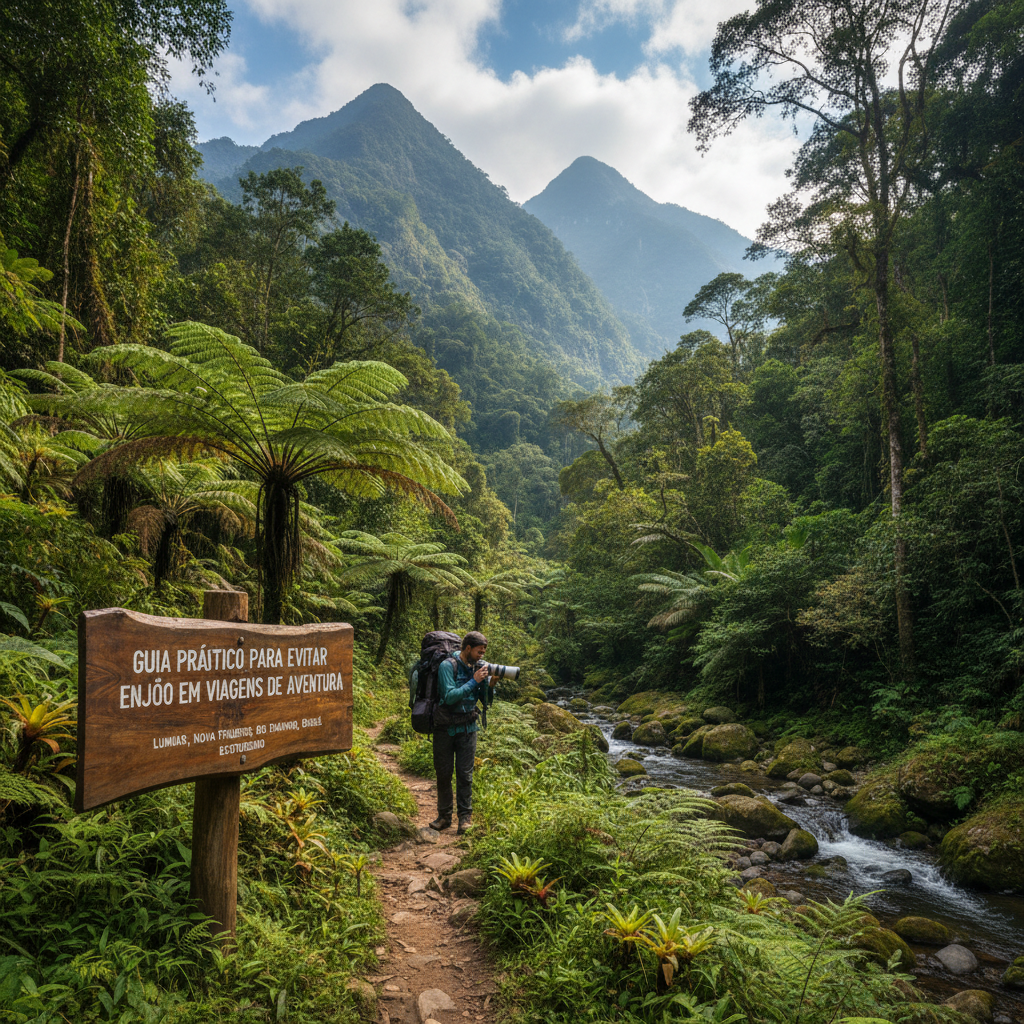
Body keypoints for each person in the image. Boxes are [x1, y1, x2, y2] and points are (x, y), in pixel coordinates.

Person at [430, 630, 494, 835]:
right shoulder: (447, 666)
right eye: (479, 652)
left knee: (465, 776)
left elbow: (486, 701)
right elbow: (449, 697)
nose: (481, 656)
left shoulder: (478, 667)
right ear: (467, 648)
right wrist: (474, 681)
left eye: (484, 652)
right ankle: (443, 817)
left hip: (468, 728)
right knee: (444, 774)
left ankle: (465, 819)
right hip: (444, 729)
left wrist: (490, 684)